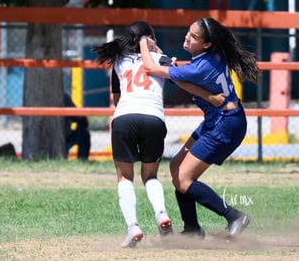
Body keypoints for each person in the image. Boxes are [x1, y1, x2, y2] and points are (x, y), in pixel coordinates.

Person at [92, 21, 224, 248]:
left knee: (125, 178)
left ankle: (133, 227)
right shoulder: (162, 60)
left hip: (125, 117)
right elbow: (185, 81)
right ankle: (161, 215)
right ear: (150, 39)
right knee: (150, 176)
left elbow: (117, 101)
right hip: (154, 118)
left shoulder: (118, 62)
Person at [139, 17, 260, 239]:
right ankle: (192, 229)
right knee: (176, 167)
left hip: (226, 123)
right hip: (220, 118)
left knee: (183, 179)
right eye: (189, 32)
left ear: (207, 44)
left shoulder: (199, 67)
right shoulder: (211, 56)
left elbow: (150, 68)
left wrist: (142, 43)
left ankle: (234, 216)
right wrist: (164, 58)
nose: (187, 37)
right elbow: (183, 78)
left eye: (194, 37)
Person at [64, 93, 91, 160]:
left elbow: (79, 117)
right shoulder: (64, 97)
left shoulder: (64, 97)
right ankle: (83, 158)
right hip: (62, 135)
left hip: (65, 135)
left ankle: (82, 160)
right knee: (83, 130)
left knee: (83, 131)